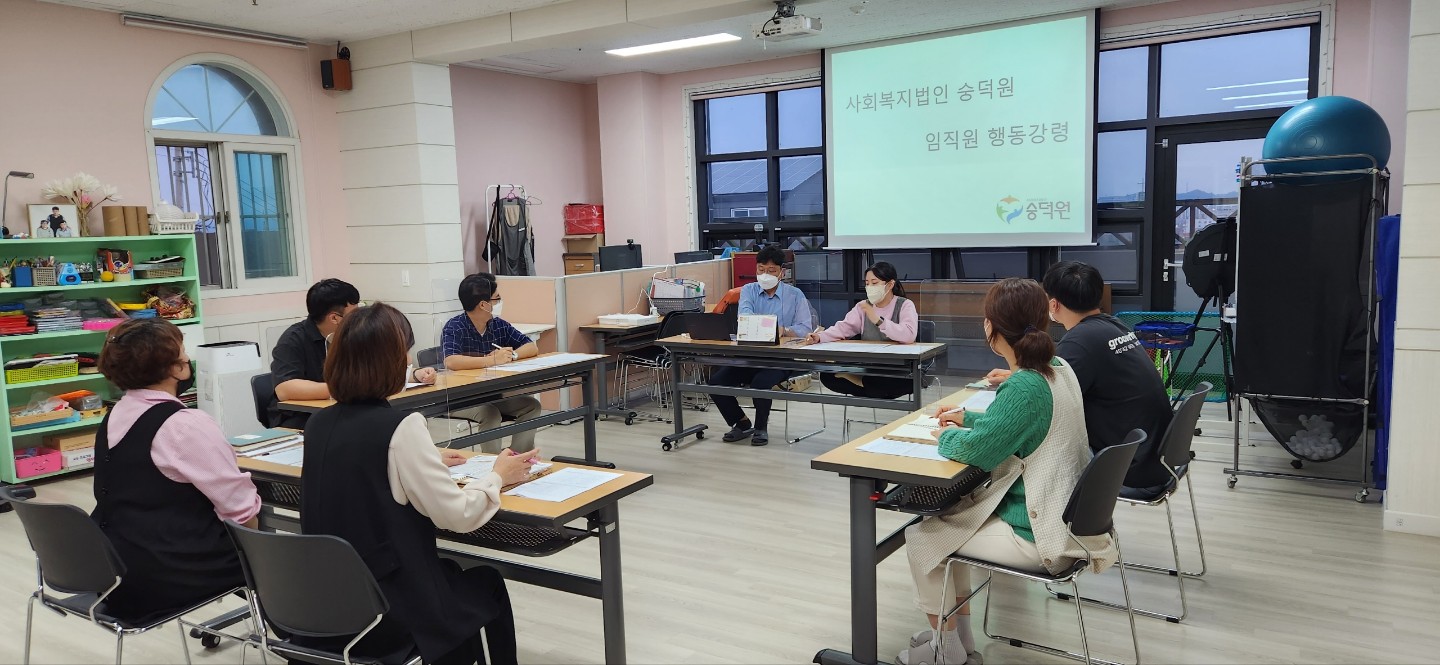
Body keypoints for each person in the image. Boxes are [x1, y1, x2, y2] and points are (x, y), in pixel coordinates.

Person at [898, 278, 1117, 665]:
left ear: (990, 327)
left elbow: (976, 450)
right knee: (948, 522)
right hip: (1071, 522)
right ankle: (959, 639)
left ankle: (945, 650)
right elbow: (1018, 425)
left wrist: (946, 434)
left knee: (924, 536)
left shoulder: (1023, 387)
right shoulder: (1059, 368)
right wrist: (968, 416)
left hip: (1040, 537)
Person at [301, 303, 533, 664]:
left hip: (328, 604)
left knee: (453, 577)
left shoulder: (317, 424)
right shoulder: (402, 427)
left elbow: (364, 469)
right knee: (485, 583)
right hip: (388, 609)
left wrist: (424, 458)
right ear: (393, 361)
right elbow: (458, 516)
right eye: (405, 351)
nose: (409, 359)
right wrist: (498, 476)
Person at [90, 318, 262, 620]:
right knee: (284, 549)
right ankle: (295, 629)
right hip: (172, 575)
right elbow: (241, 511)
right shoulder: (184, 424)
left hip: (114, 571)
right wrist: (258, 560)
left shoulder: (116, 413)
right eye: (183, 353)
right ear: (176, 368)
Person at [984, 261, 1174, 490]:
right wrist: (1015, 376)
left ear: (1053, 305)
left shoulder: (1080, 342)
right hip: (1155, 454)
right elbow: (1059, 380)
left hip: (1128, 465)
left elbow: (1043, 401)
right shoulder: (1112, 325)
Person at [269, 279, 436, 428]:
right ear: (334, 318)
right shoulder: (292, 340)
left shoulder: (354, 335)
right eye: (354, 314)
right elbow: (285, 389)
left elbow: (374, 369)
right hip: (304, 419)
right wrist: (348, 387)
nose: (359, 318)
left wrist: (414, 375)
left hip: (348, 411)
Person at [710, 243, 814, 446]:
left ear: (782, 272)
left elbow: (805, 328)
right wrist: (768, 326)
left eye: (771, 270)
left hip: (781, 358)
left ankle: (760, 428)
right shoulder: (748, 290)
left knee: (760, 383)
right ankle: (741, 423)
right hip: (749, 355)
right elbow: (745, 317)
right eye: (761, 269)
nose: (765, 275)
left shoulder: (795, 295)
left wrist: (784, 330)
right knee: (716, 383)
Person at [439, 273, 543, 452]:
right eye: (497, 298)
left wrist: (512, 355)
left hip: (490, 394)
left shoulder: (498, 325)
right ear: (483, 304)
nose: (499, 303)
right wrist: (491, 360)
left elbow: (531, 346)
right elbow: (451, 361)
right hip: (458, 399)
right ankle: (493, 463)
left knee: (531, 406)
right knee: (490, 413)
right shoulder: (454, 327)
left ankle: (516, 456)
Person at [805, 261, 919, 398]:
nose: (869, 287)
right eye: (867, 283)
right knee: (827, 376)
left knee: (891, 383)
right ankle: (867, 385)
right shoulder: (863, 306)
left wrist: (878, 320)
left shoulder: (905, 305)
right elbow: (844, 328)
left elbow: (909, 335)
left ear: (890, 285)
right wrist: (820, 337)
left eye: (874, 283)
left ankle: (859, 381)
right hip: (870, 366)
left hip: (897, 368)